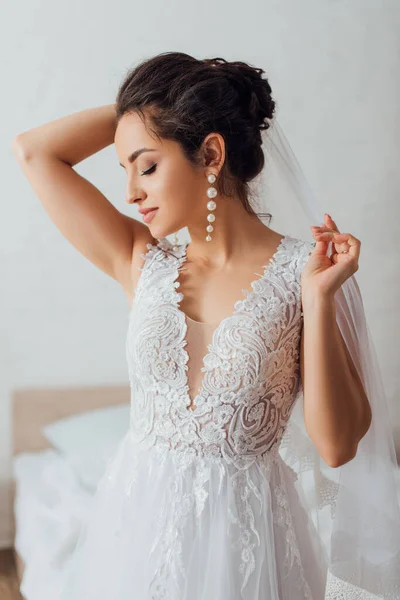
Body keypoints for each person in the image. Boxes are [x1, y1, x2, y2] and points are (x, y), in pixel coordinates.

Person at [12, 52, 398, 599]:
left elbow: (336, 448)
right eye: (125, 169)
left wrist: (318, 299)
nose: (131, 192)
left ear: (211, 152)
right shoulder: (140, 261)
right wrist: (156, 111)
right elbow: (34, 151)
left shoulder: (307, 274)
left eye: (145, 166)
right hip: (135, 542)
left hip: (251, 555)